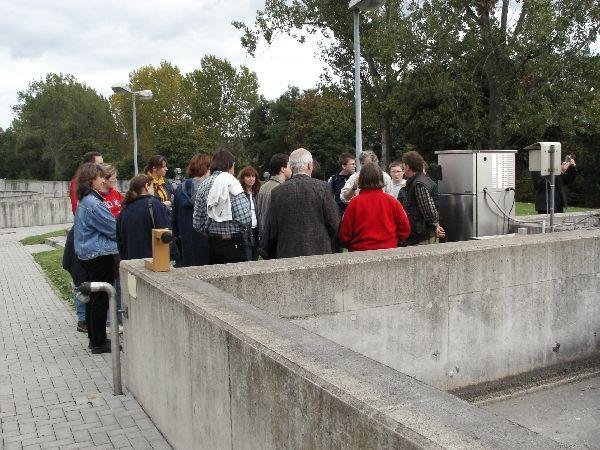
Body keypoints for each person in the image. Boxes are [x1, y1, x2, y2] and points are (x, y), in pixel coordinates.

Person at [73, 163, 118, 354]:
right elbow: (113, 229)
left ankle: (95, 338)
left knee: (93, 299)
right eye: (100, 177)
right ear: (92, 179)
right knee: (101, 299)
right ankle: (99, 342)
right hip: (99, 255)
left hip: (88, 255)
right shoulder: (94, 203)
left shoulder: (85, 200)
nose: (102, 180)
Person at [262, 148, 340, 259]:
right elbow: (334, 223)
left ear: (291, 167)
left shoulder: (277, 192)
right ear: (309, 166)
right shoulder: (323, 188)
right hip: (319, 252)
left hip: (287, 254)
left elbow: (272, 229)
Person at [192, 150, 251, 264]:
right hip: (234, 242)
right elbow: (245, 217)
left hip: (213, 243)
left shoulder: (203, 185)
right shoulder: (232, 182)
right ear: (230, 165)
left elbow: (197, 223)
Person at [338, 163, 410, 251]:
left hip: (360, 251)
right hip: (388, 249)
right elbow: (404, 227)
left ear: (361, 179)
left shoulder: (354, 203)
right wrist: (395, 241)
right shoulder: (392, 201)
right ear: (380, 178)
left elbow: (345, 232)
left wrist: (348, 244)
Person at [117, 174, 170, 260]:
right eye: (152, 186)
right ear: (147, 186)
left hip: (131, 261)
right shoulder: (155, 204)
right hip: (153, 260)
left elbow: (120, 240)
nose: (153, 190)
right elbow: (165, 232)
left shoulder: (124, 210)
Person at [172, 153, 212, 267]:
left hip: (187, 240)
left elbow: (175, 218)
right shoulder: (211, 189)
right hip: (207, 240)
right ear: (207, 169)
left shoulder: (180, 189)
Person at [400, 151, 445, 245]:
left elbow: (428, 208)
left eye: (403, 165)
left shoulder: (419, 183)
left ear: (407, 166)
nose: (403, 168)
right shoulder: (418, 180)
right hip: (420, 234)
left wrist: (436, 225)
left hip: (422, 236)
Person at [256, 153, 291, 239]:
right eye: (289, 166)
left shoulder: (263, 187)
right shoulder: (282, 189)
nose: (291, 169)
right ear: (283, 169)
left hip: (262, 236)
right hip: (274, 237)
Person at [238, 165, 261, 261]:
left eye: (253, 176)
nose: (251, 179)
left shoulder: (257, 193)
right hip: (245, 232)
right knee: (247, 259)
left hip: (257, 231)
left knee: (255, 259)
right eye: (248, 176)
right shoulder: (239, 194)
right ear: (243, 178)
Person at [328, 153, 356, 218]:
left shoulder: (356, 178)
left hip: (354, 212)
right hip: (338, 214)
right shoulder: (333, 179)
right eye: (352, 164)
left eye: (355, 164)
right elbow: (329, 197)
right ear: (344, 166)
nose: (355, 166)